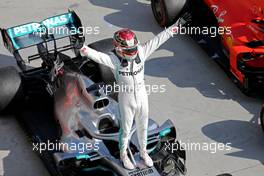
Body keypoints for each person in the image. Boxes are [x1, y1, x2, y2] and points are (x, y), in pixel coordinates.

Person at [79, 13, 191, 170]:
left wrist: (178, 24)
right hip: (126, 98)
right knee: (125, 130)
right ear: (118, 47)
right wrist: (82, 47)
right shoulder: (113, 59)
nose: (133, 51)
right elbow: (96, 56)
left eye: (133, 47)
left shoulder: (142, 51)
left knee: (143, 126)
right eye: (129, 49)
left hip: (142, 97)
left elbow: (159, 39)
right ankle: (124, 155)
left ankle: (144, 153)